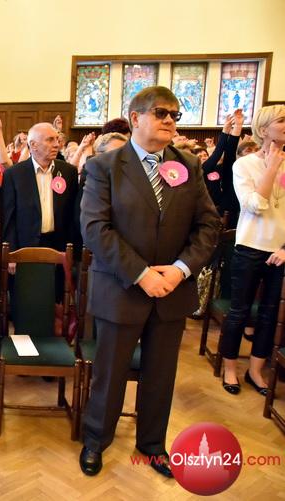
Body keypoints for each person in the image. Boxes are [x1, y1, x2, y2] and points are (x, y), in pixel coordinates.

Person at [79, 86, 218, 477]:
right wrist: (141, 274)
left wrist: (179, 269)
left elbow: (208, 225)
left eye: (175, 114)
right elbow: (95, 228)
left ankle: (153, 444)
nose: (170, 120)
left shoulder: (188, 165)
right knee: (110, 373)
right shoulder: (105, 166)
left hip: (172, 289)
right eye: (161, 112)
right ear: (136, 117)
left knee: (161, 374)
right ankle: (96, 440)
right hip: (122, 288)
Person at [219, 104, 285, 397]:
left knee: (270, 315)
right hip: (250, 246)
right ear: (264, 128)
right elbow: (255, 205)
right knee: (240, 312)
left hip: (280, 250)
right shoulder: (244, 165)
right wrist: (271, 168)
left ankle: (256, 370)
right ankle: (230, 367)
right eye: (281, 120)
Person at [2, 122, 79, 253]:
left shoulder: (68, 172)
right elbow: (9, 218)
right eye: (50, 140)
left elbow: (73, 214)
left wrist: (73, 251)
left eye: (57, 139)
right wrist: (11, 253)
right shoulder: (14, 174)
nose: (56, 144)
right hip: (25, 247)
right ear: (33, 145)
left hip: (60, 246)